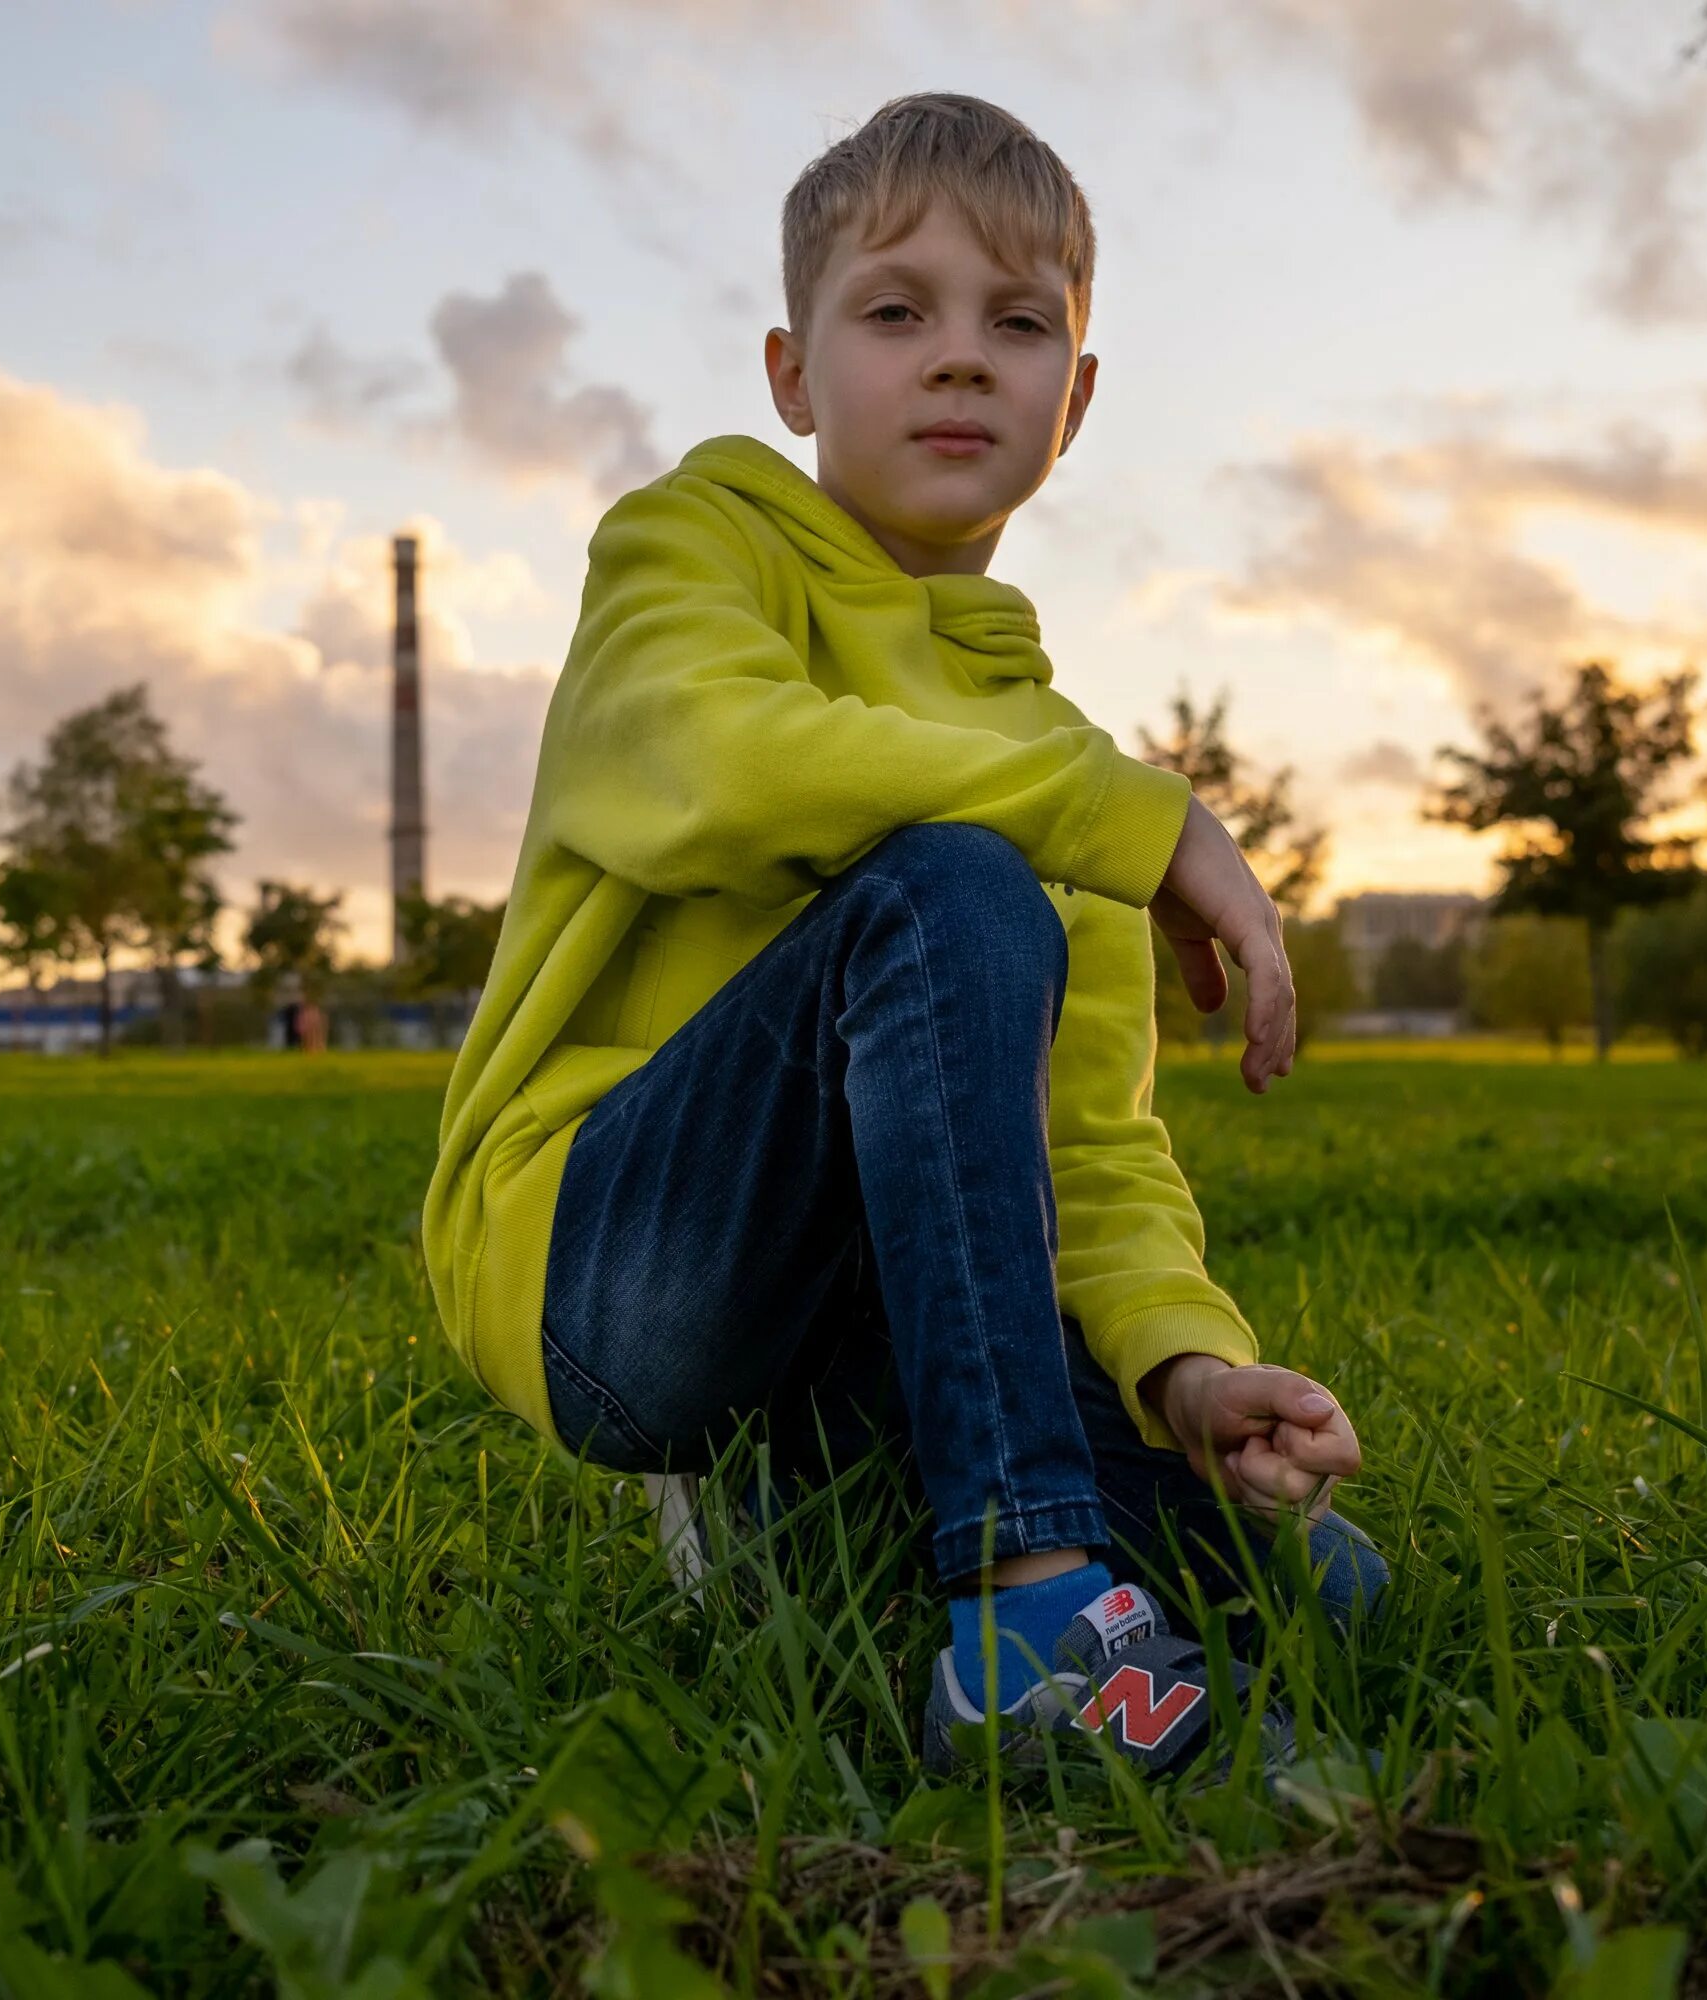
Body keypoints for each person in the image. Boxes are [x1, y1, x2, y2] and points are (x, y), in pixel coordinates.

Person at [419, 93, 1378, 1776]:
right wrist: (1137, 820)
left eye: (1018, 325)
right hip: (624, 1271)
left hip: (877, 1322)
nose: (958, 361)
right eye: (895, 312)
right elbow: (710, 765)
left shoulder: (1039, 748)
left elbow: (1082, 1146)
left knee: (1326, 1588)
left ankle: (811, 1527)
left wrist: (1188, 1369)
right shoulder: (695, 543)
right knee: (946, 882)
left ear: (1072, 403)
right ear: (793, 374)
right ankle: (1030, 1615)